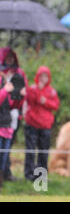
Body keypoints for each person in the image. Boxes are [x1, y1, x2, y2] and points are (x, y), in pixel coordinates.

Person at [24, 66, 60, 181]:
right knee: (30, 150)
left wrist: (45, 101)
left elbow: (55, 105)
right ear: (38, 77)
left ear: (48, 78)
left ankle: (41, 176)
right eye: (41, 76)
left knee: (43, 152)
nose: (43, 78)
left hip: (45, 126)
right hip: (32, 124)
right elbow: (30, 100)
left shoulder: (51, 91)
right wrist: (39, 92)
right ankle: (29, 174)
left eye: (46, 76)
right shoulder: (32, 88)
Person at [0, 47, 27, 181]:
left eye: (12, 56)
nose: (10, 59)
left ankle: (6, 173)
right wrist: (5, 90)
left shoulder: (19, 73)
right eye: (7, 56)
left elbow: (20, 97)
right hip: (2, 116)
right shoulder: (1, 75)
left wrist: (21, 96)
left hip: (12, 116)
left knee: (7, 147)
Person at [0, 74, 18, 189]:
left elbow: (12, 105)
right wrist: (5, 91)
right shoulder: (4, 88)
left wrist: (19, 97)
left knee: (4, 158)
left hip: (6, 126)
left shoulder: (4, 81)